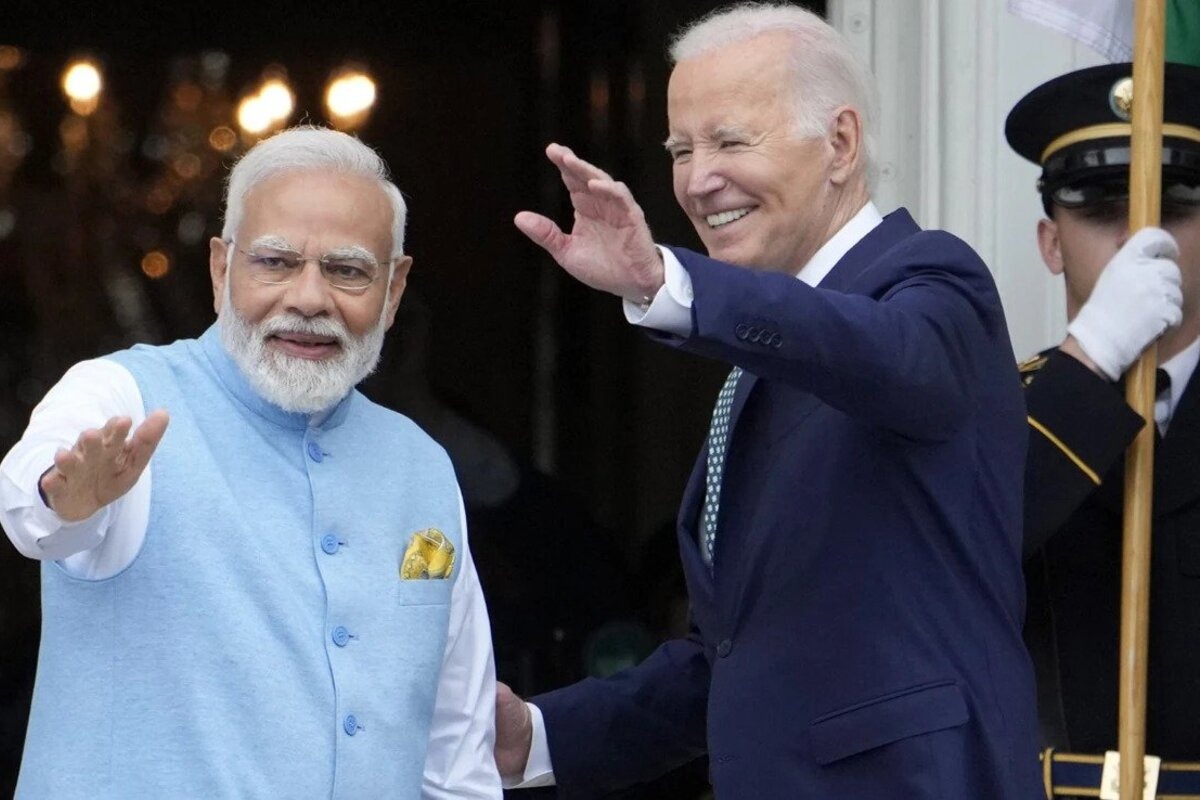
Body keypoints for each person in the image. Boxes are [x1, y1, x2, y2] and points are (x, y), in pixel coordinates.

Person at [495, 4, 1040, 798]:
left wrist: (667, 285)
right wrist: (539, 737)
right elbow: (735, 659)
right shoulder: (762, 362)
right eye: (681, 150)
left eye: (730, 141)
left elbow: (868, 352)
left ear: (840, 144)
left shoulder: (931, 285)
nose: (697, 180)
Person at [0, 126, 501, 798]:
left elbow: (456, 755)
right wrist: (64, 497)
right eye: (275, 262)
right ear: (220, 269)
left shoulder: (422, 465)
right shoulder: (122, 396)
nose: (309, 299)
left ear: (394, 291)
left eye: (347, 271)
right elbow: (32, 507)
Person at [1007, 63, 1200, 788]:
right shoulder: (999, 414)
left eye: (1173, 208)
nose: (1138, 236)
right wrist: (1091, 360)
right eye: (1099, 210)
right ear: (1051, 243)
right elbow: (968, 543)